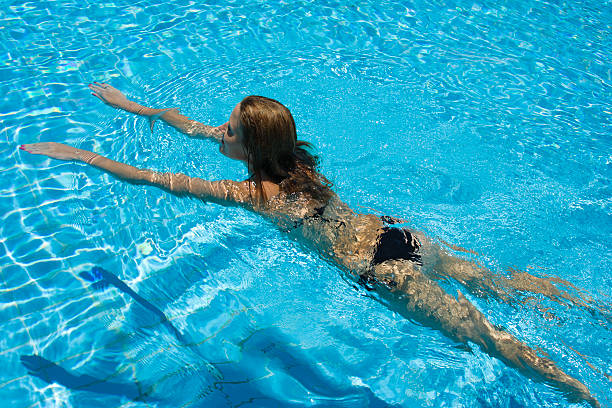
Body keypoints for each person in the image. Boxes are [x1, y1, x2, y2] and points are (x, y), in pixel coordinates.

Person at [19, 82, 600, 407]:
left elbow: (152, 180)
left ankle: (582, 394)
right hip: (392, 233)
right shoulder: (294, 160)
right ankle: (592, 307)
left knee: (488, 339)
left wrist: (84, 157)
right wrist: (132, 106)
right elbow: (189, 124)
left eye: (228, 131)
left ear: (247, 149)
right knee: (495, 282)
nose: (216, 131)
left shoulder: (256, 196)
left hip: (377, 270)